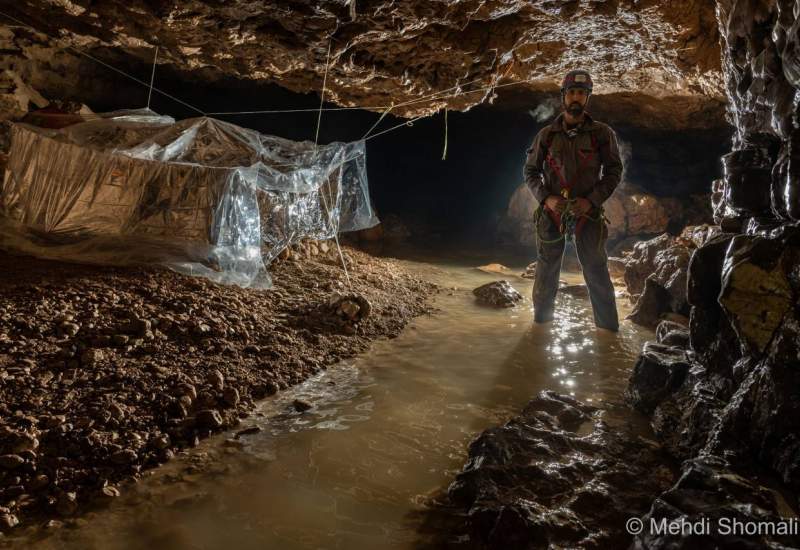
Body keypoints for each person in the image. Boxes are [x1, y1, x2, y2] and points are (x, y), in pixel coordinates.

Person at [523, 69, 623, 331]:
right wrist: (545, 198)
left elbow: (614, 171)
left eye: (581, 93)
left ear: (588, 98)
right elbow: (530, 171)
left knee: (596, 270)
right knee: (546, 272)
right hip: (552, 211)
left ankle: (608, 333)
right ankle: (540, 330)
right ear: (563, 97)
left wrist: (592, 201)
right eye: (572, 92)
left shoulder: (602, 134)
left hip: (588, 213)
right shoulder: (547, 135)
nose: (576, 97)